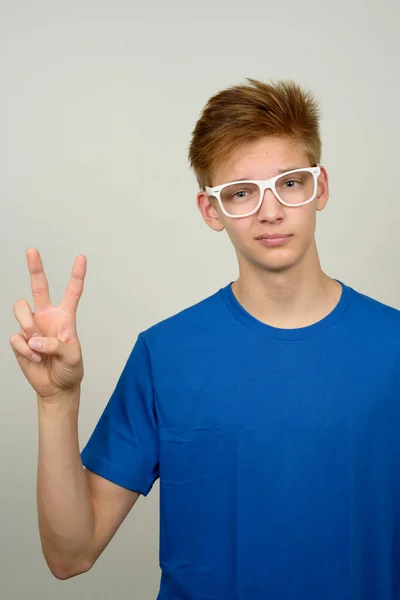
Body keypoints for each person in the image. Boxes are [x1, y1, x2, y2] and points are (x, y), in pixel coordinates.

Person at [11, 77, 400, 600]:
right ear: (210, 211)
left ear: (320, 187)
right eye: (241, 192)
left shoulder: (391, 347)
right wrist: (57, 402)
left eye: (290, 182)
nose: (270, 210)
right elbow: (70, 554)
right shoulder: (166, 355)